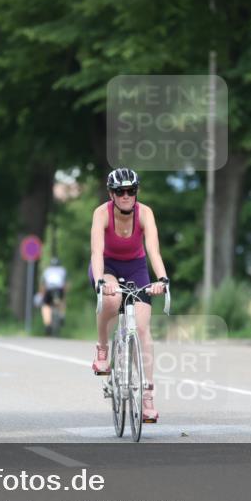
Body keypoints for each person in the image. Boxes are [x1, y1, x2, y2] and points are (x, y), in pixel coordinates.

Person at [89, 167, 169, 423]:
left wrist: (162, 279)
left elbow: (154, 252)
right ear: (111, 193)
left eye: (130, 191)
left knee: (143, 329)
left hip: (136, 267)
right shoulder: (101, 214)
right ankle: (102, 349)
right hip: (107, 265)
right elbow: (96, 252)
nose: (126, 196)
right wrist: (101, 281)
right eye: (120, 191)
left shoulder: (145, 213)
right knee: (112, 301)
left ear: (136, 192)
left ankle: (147, 398)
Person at [39, 257, 68, 335]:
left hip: (49, 290)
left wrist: (42, 294)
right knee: (62, 301)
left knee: (45, 305)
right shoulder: (63, 270)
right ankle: (62, 315)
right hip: (59, 290)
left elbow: (43, 284)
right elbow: (65, 284)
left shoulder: (47, 271)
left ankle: (47, 323)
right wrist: (65, 294)